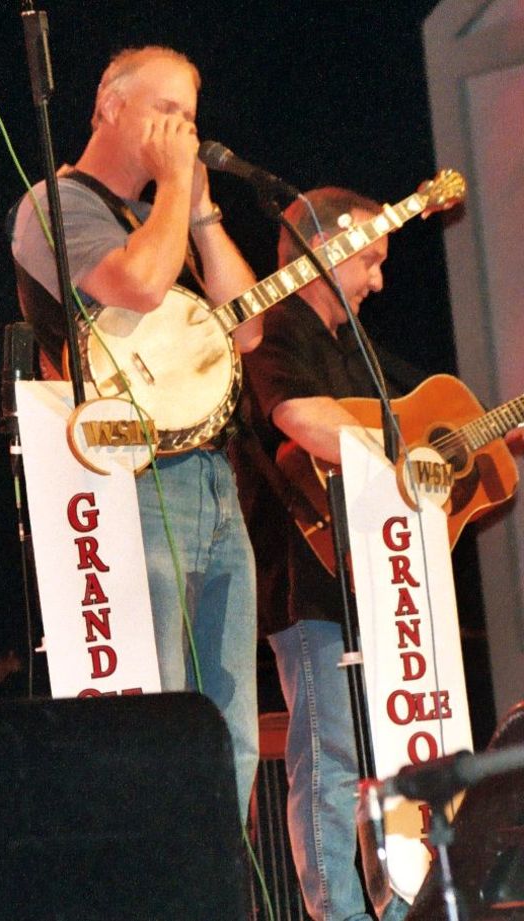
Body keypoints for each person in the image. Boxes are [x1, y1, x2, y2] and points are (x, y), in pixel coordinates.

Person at [236, 185, 524, 921]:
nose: (379, 279)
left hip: (381, 590)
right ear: (324, 253)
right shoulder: (275, 325)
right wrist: (402, 464)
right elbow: (299, 418)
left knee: (396, 762)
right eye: (368, 259)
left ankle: (409, 905)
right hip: (313, 580)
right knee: (330, 762)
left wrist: (488, 438)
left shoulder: (354, 345)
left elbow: (432, 427)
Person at [10, 45, 262, 819]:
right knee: (157, 710)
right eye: (166, 113)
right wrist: (177, 187)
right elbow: (141, 286)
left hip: (212, 481)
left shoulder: (163, 218)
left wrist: (204, 215)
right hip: (134, 487)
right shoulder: (59, 203)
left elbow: (247, 330)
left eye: (190, 119)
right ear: (109, 107)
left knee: (233, 730)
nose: (181, 134)